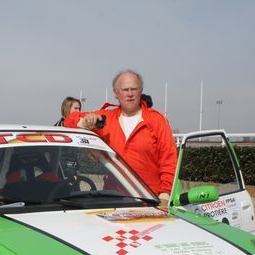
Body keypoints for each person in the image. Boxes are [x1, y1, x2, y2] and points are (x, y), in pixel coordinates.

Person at [64, 70, 177, 204]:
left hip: (149, 200)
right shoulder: (105, 119)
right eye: (125, 90)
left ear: (140, 91)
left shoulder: (157, 120)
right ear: (116, 93)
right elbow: (69, 120)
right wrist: (85, 123)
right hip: (114, 199)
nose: (130, 94)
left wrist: (165, 195)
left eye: (134, 89)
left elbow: (169, 161)